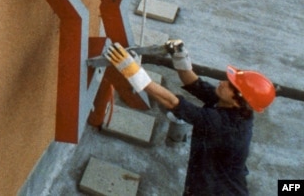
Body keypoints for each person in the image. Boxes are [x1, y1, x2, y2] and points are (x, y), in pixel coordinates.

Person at [106, 40, 276, 196]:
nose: (223, 82)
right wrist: (180, 56)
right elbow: (194, 83)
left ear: (239, 101)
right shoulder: (231, 106)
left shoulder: (224, 124)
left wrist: (134, 73)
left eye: (230, 86)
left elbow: (173, 102)